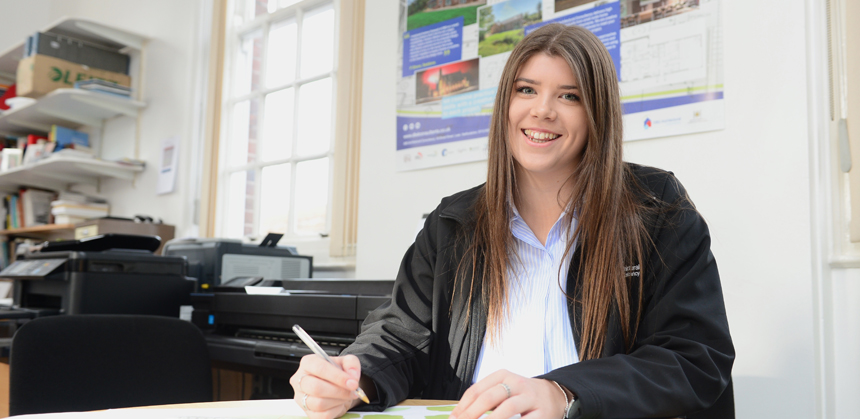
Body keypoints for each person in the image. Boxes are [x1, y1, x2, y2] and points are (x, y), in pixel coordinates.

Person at [289, 23, 734, 419]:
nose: (542, 110)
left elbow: (694, 357)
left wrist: (562, 392)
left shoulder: (655, 211)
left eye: (570, 96)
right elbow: (401, 336)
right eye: (526, 90)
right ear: (505, 104)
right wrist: (355, 377)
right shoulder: (452, 225)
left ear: (597, 114)